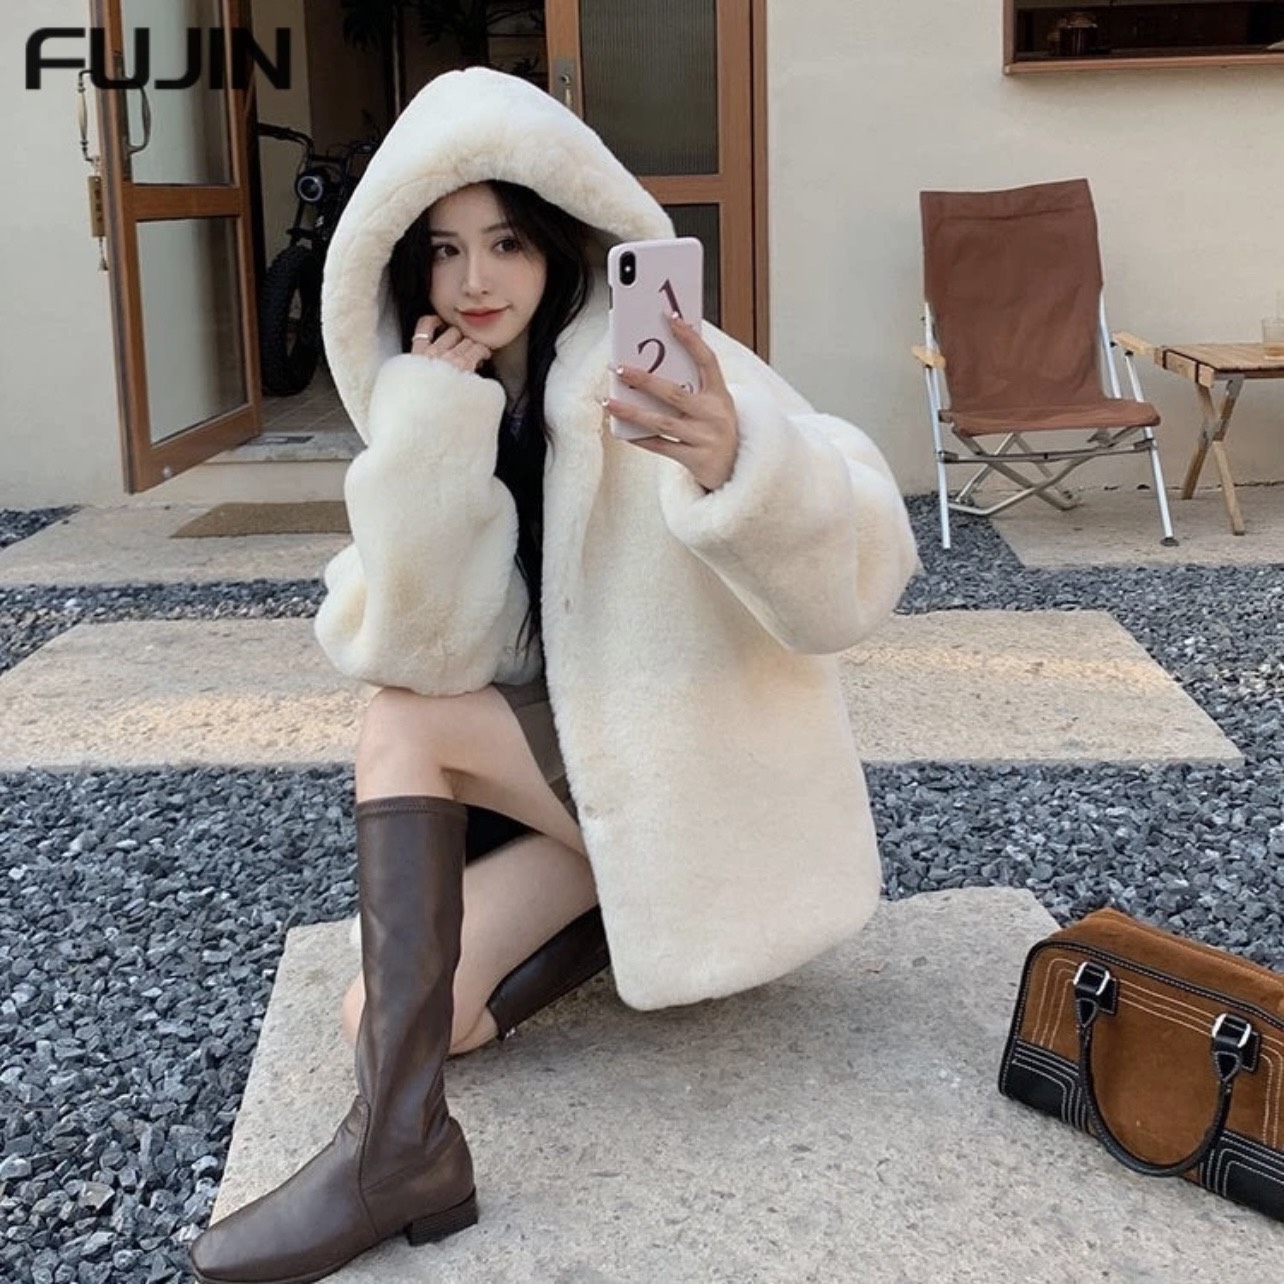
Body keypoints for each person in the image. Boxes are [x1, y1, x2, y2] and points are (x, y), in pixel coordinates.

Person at [190, 67, 917, 1284]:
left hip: (687, 776)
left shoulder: (648, 367)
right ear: (404, 265)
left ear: (560, 239)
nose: (475, 281)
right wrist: (431, 434)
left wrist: (740, 463)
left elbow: (861, 573)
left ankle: (394, 1157)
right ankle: (588, 934)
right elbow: (420, 644)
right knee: (408, 1021)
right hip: (583, 785)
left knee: (401, 729)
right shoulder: (455, 393)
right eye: (444, 249)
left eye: (507, 243)